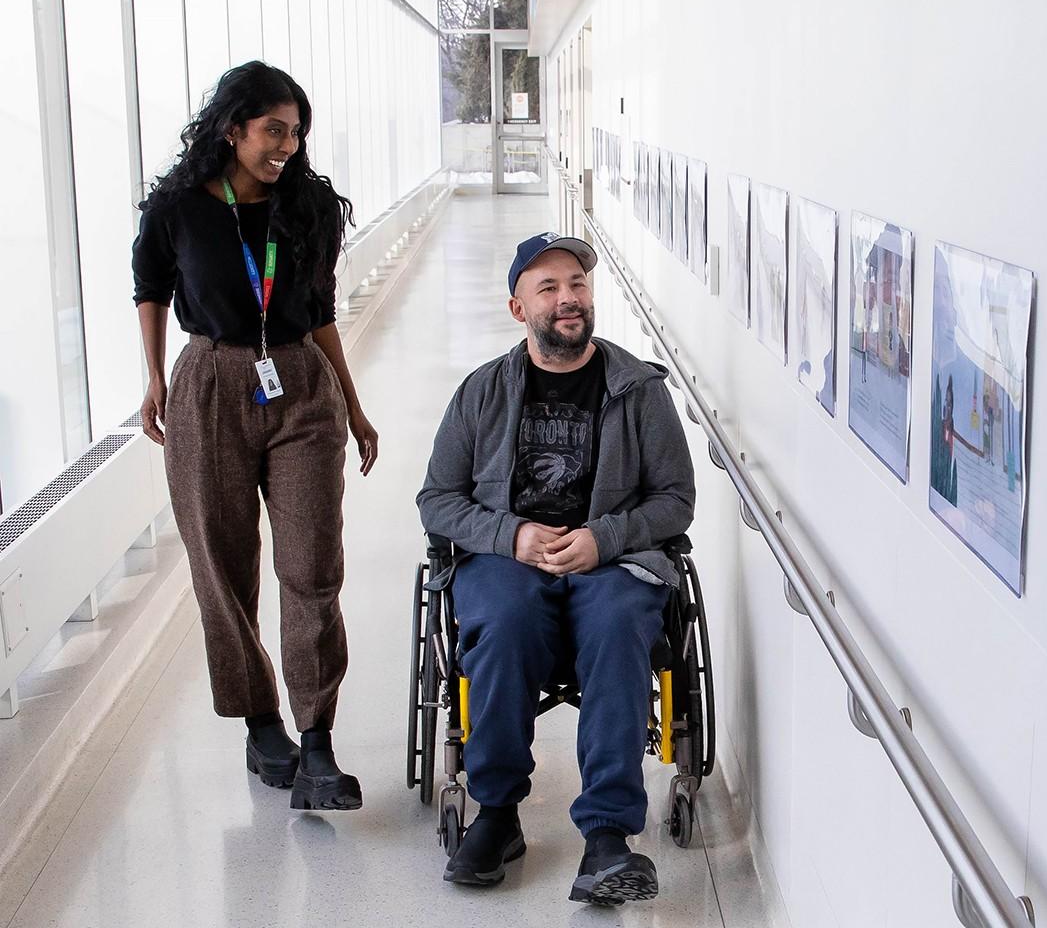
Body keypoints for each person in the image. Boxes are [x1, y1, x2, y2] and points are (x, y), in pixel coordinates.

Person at [417, 232, 697, 905]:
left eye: (576, 284)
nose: (569, 298)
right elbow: (437, 500)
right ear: (519, 309)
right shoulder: (482, 392)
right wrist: (510, 535)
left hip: (612, 562)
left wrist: (604, 538)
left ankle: (606, 840)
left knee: (620, 622)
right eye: (549, 288)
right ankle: (497, 814)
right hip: (509, 562)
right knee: (507, 621)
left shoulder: (638, 389)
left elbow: (676, 500)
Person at [132, 61, 378, 811]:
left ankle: (318, 740)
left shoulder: (308, 209)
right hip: (209, 383)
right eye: (275, 129)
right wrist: (154, 379)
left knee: (312, 567)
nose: (288, 146)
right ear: (232, 127)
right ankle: (261, 718)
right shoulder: (175, 210)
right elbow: (150, 290)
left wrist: (355, 407)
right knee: (224, 565)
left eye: (296, 132)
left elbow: (323, 310)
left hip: (300, 383)